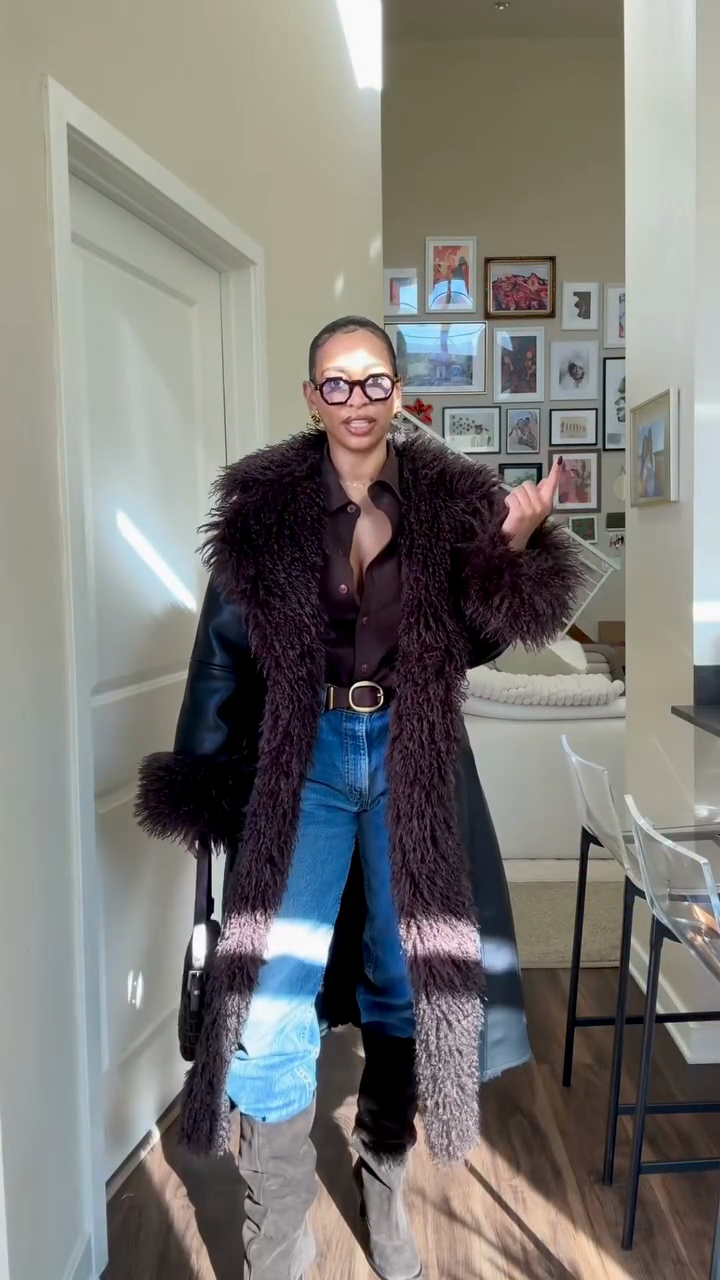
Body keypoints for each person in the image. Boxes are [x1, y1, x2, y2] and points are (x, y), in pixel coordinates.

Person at [136, 315, 583, 1280]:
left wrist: (509, 549)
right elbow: (219, 656)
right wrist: (203, 785)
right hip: (302, 757)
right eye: (335, 383)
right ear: (312, 397)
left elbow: (475, 641)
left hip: (409, 753)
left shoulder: (449, 506)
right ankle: (277, 1228)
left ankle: (385, 1184)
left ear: (397, 393)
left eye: (373, 380)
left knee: (401, 974)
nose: (356, 400)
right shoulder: (262, 513)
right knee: (272, 985)